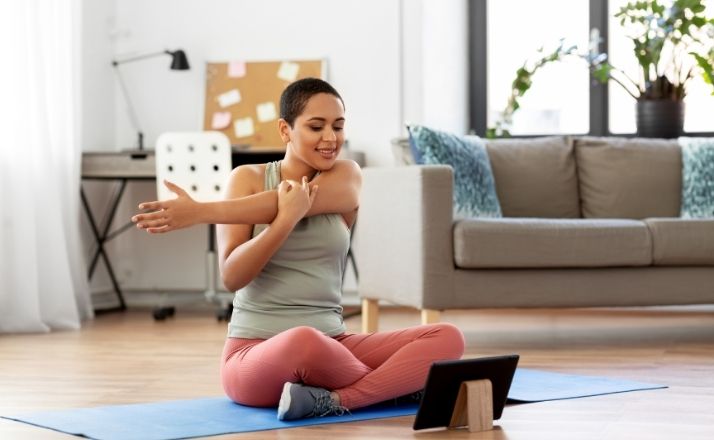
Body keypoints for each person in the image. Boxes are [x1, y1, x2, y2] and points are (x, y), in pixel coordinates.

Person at [131, 78, 464, 420]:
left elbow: (297, 199)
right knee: (304, 341)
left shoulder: (348, 176)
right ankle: (398, 386)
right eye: (316, 126)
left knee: (447, 337)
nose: (331, 138)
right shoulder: (246, 178)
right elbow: (232, 276)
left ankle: (337, 399)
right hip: (254, 355)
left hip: (335, 347)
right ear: (285, 130)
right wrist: (284, 221)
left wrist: (203, 211)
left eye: (338, 126)